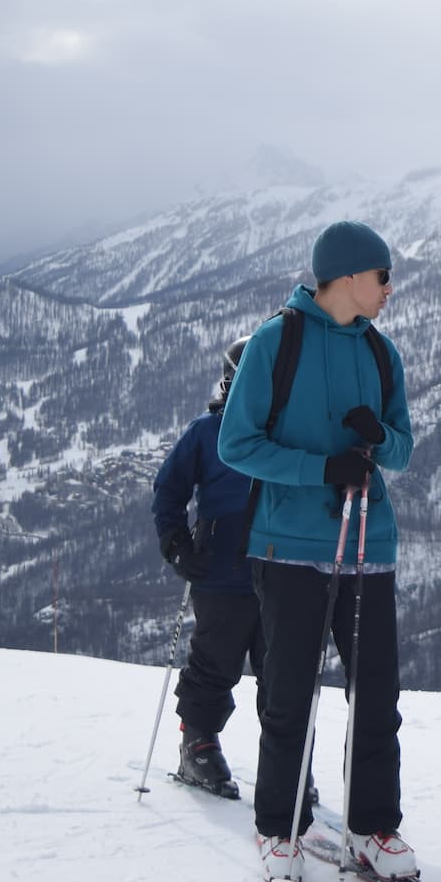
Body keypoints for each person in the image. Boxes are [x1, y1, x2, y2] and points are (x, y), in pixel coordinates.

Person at [218, 221, 418, 882]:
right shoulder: (277, 342)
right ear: (350, 275)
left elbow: (403, 451)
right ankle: (279, 830)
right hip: (290, 546)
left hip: (369, 543)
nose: (390, 288)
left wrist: (376, 435)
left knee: (377, 696)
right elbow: (235, 444)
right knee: (288, 695)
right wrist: (320, 468)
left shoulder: (382, 352)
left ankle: (372, 826)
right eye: (383, 275)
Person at [151, 339, 260, 798]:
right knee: (216, 659)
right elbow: (169, 488)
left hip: (285, 568)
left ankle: (288, 757)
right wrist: (175, 543)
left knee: (284, 669)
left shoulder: (289, 431)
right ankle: (197, 742)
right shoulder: (207, 432)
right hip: (220, 569)